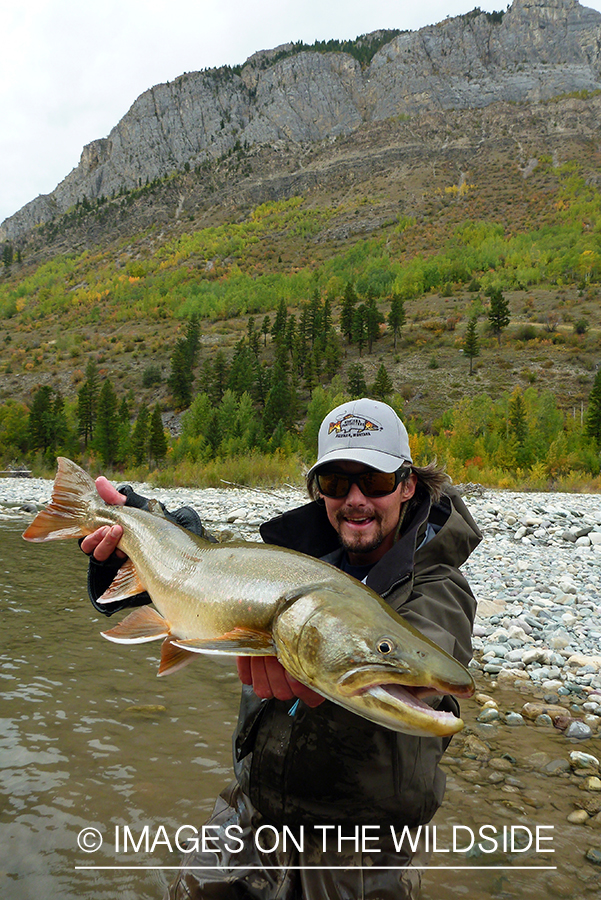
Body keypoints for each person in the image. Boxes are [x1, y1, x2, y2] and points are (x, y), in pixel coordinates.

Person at [81, 398, 482, 900]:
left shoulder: (438, 590)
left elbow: (431, 668)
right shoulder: (296, 559)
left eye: (374, 482)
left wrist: (329, 675)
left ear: (407, 486)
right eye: (337, 484)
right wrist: (140, 546)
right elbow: (203, 584)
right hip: (251, 817)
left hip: (361, 853)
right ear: (319, 493)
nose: (355, 499)